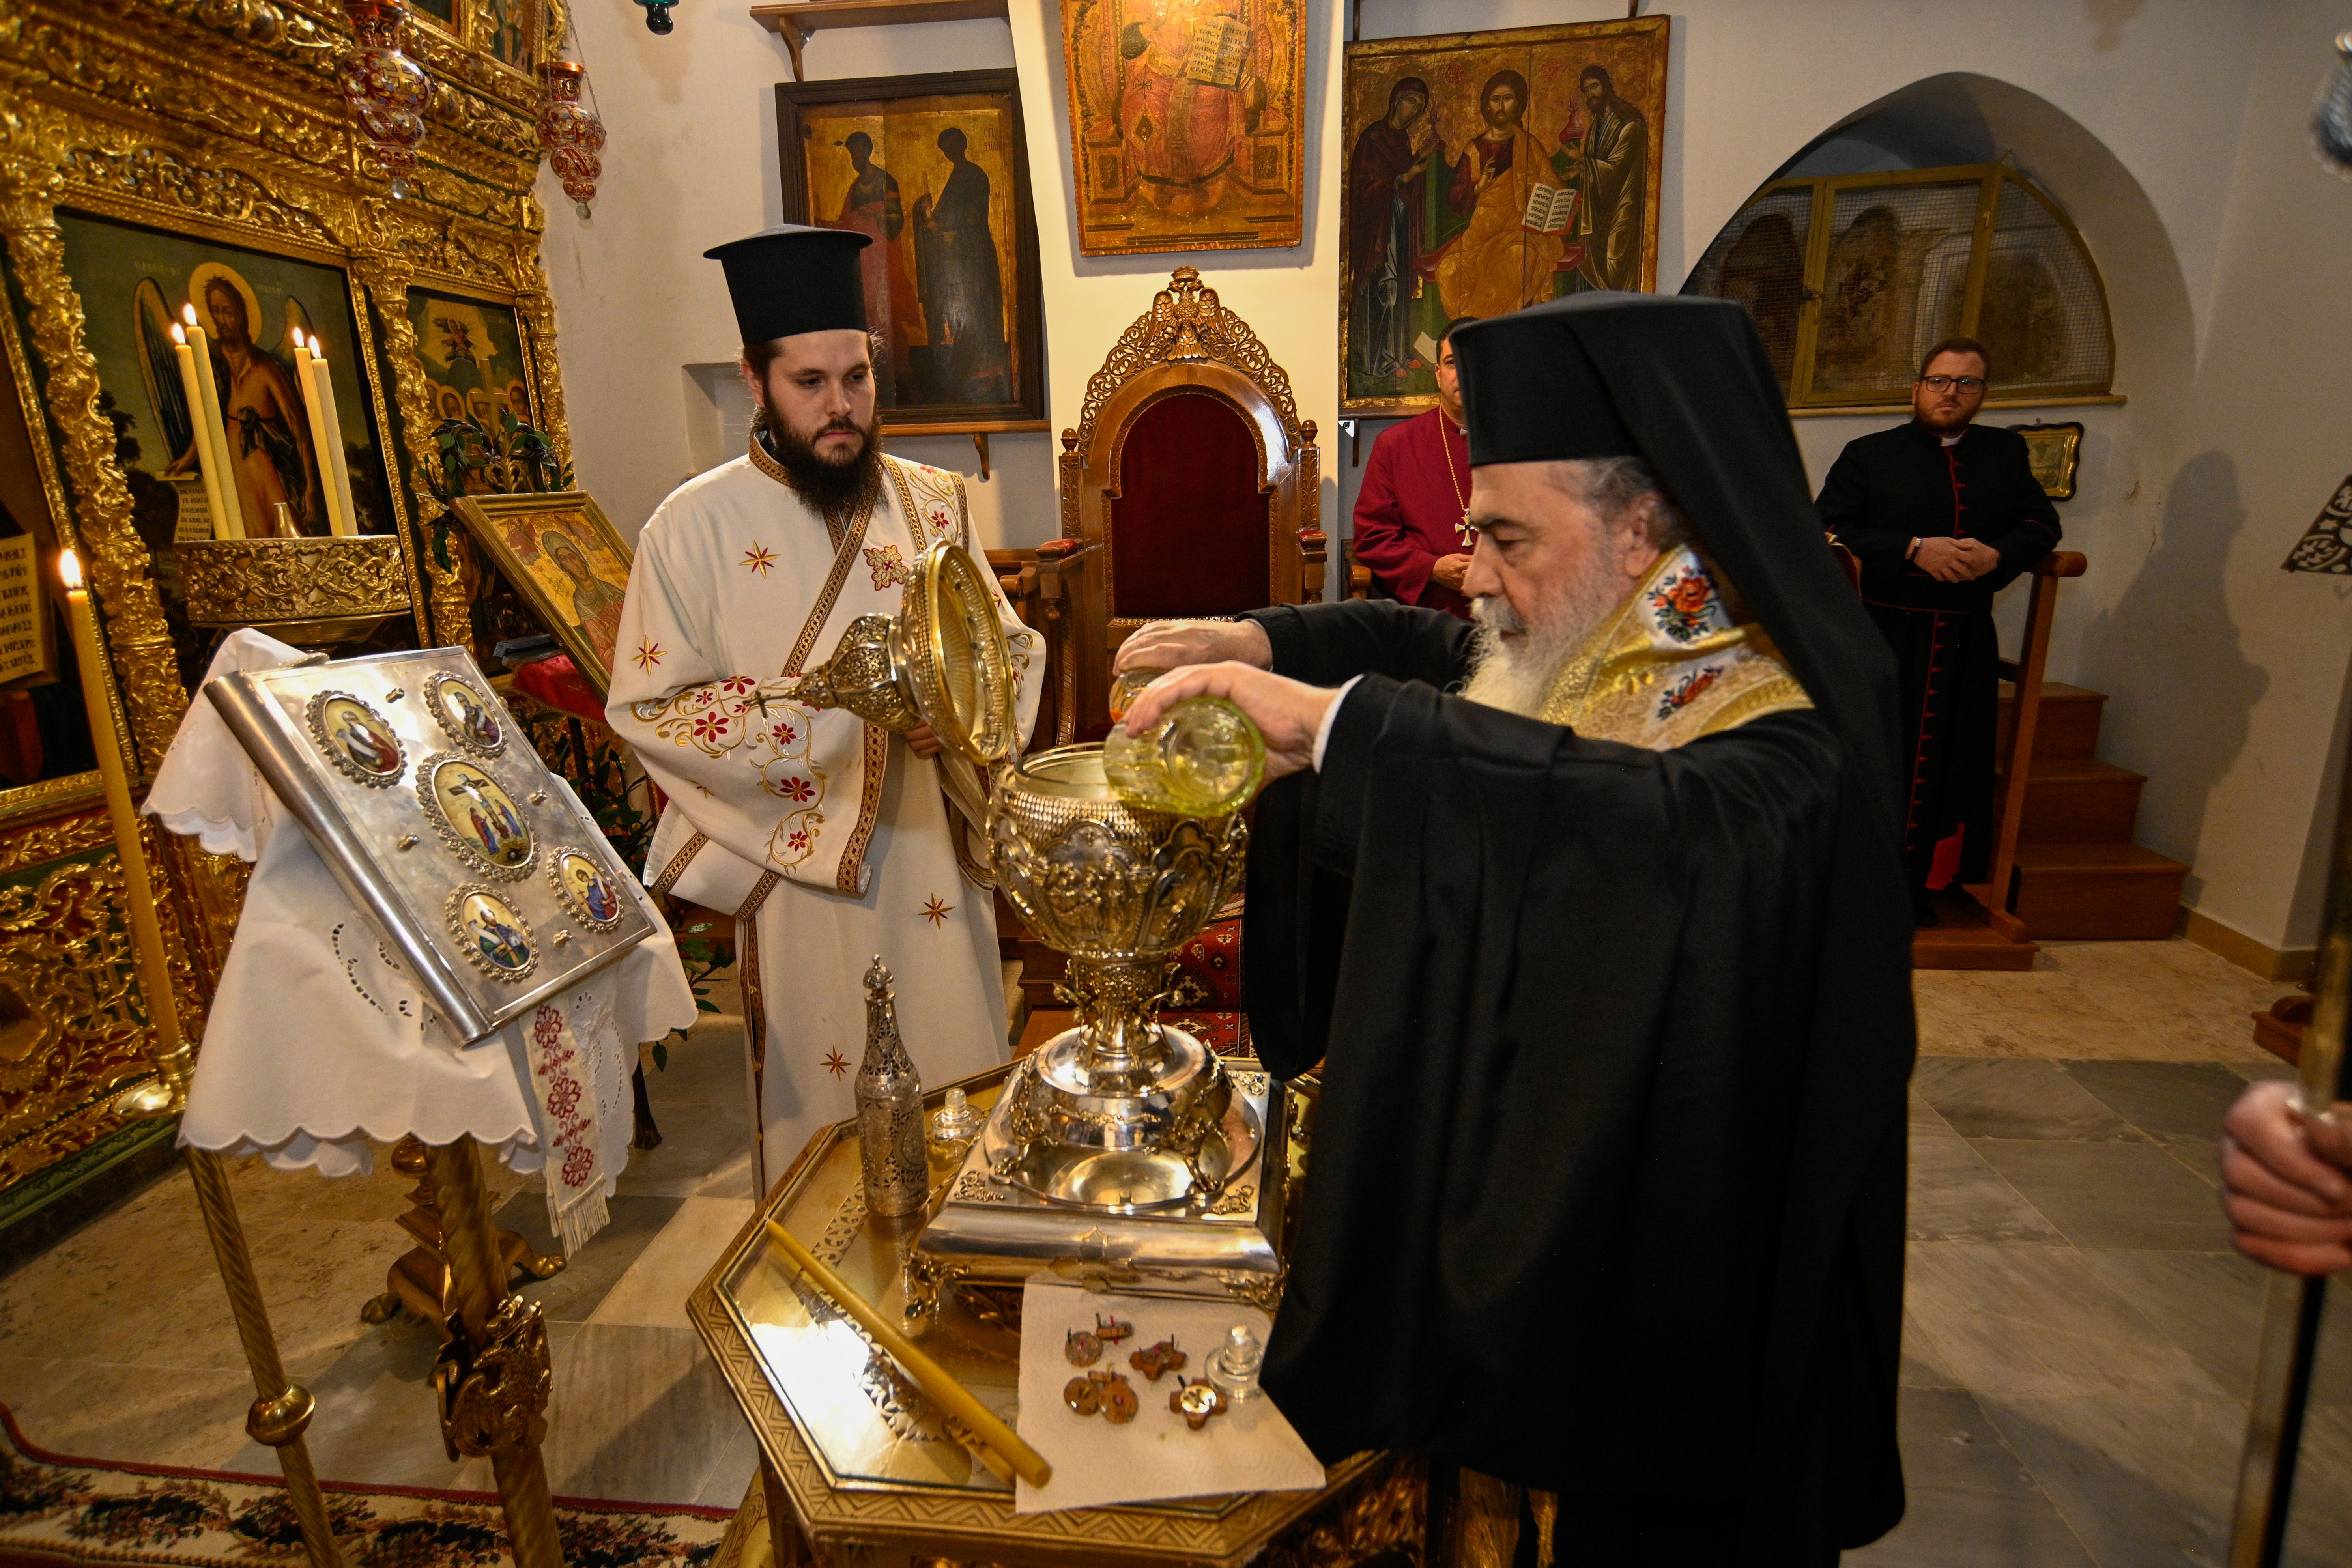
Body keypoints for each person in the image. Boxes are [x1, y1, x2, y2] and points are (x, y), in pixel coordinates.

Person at [1115, 293, 1913, 1562]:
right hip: (1568, 1259)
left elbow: (1648, 835)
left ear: (1644, 521)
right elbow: (1447, 658)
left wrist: (1329, 733)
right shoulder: (1614, 622)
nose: (1473, 569)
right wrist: (1264, 637)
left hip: (1676, 1318)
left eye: (1502, 536)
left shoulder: (1775, 717)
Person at [606, 224, 1041, 1194]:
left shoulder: (934, 501)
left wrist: (957, 709)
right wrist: (853, 714)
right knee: (824, 1120)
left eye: (857, 377)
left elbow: (1005, 645)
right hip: (799, 872)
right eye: (810, 382)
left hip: (929, 840)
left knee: (958, 1082)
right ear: (755, 383)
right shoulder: (689, 527)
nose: (840, 406)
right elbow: (650, 707)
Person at [1815, 337, 2061, 923]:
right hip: (1884, 634)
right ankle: (1858, 883)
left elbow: (2040, 524)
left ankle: (1925, 882)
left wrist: (1996, 557)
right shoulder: (1869, 454)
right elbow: (1824, 526)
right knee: (1879, 757)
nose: (1951, 393)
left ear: (1982, 393)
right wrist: (1912, 548)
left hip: (1964, 637)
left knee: (1953, 761)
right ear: (1917, 387)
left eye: (1966, 383)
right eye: (1940, 380)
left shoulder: (2004, 454)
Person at [1348, 315, 1479, 617]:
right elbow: (1372, 538)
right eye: (1451, 362)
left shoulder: (1522, 443)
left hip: (1510, 614)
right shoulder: (1395, 445)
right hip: (1428, 615)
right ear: (1438, 374)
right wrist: (1431, 568)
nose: (1463, 372)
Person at [1432, 70, 1564, 320]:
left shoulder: (1529, 145)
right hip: (1481, 235)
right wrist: (1478, 188)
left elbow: (1551, 184)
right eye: (1496, 99)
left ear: (1518, 104)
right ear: (1487, 106)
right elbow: (1455, 198)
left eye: (1508, 98)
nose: (1501, 105)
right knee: (1448, 271)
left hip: (1520, 231)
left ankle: (1481, 331)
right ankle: (1470, 331)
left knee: (1516, 259)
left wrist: (1562, 203)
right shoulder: (1475, 148)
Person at [1346, 75, 1434, 385]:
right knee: (1386, 289)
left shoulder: (1402, 141)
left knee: (1401, 287)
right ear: (1396, 100)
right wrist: (1406, 175)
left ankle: (1398, 352)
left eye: (1420, 107)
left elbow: (1402, 181)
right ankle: (1381, 359)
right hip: (1379, 231)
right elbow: (1366, 187)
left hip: (1397, 224)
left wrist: (1417, 165)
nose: (1414, 111)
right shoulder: (1373, 138)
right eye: (1411, 102)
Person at [911, 127, 1009, 405]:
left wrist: (937, 225)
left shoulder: (974, 175)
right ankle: (969, 374)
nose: (949, 152)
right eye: (945, 148)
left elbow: (971, 218)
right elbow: (945, 216)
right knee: (966, 318)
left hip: (975, 257)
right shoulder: (959, 174)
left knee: (979, 313)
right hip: (961, 259)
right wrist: (926, 211)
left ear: (963, 145)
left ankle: (988, 375)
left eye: (952, 146)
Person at [827, 133, 918, 400]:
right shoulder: (856, 187)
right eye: (851, 154)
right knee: (870, 314)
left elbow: (896, 219)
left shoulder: (885, 180)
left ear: (868, 151)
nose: (856, 158)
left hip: (884, 255)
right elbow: (848, 221)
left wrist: (876, 213)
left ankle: (903, 375)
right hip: (866, 261)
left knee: (890, 313)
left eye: (859, 152)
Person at [1569, 64, 1649, 292]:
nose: (1591, 94)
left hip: (1624, 206)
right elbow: (1599, 163)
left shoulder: (1629, 124)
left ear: (1607, 87)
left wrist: (1584, 161)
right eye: (1586, 90)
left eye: (1594, 87)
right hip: (1601, 209)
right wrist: (1581, 169)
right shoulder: (1597, 126)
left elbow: (1615, 169)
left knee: (1616, 262)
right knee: (1594, 263)